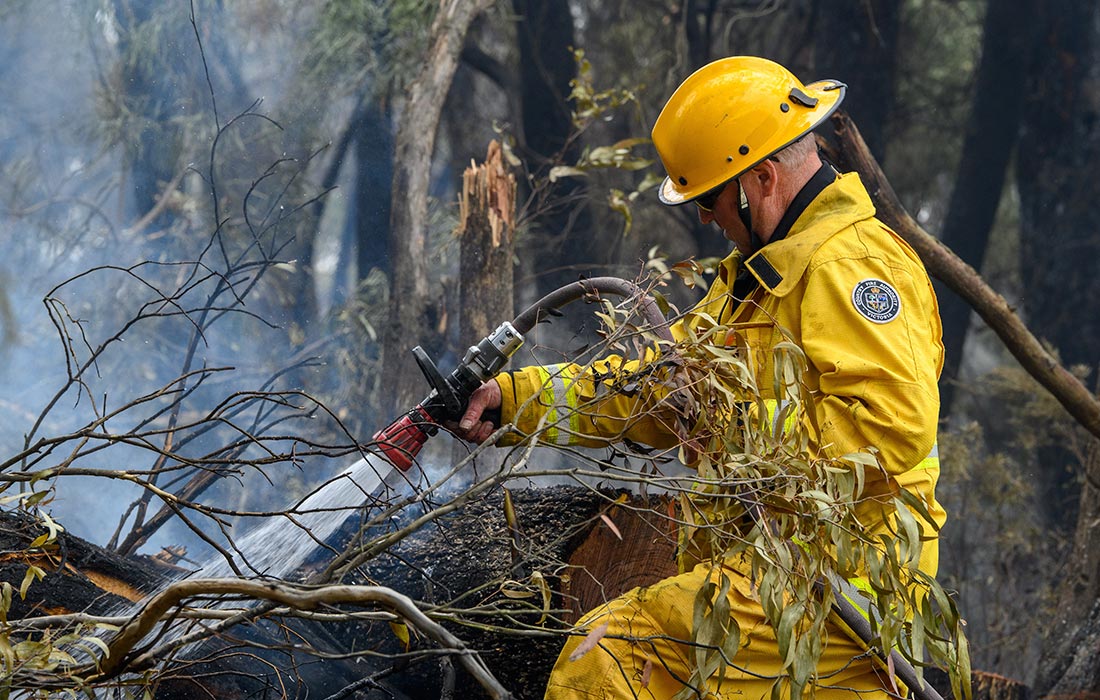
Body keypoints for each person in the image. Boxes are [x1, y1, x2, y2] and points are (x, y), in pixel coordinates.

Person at [456, 56, 946, 699]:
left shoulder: (852, 264)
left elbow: (887, 433)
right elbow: (666, 389)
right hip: (774, 573)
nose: (707, 219)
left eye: (711, 198)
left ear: (762, 178)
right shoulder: (761, 278)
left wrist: (736, 424)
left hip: (845, 587)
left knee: (612, 656)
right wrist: (516, 401)